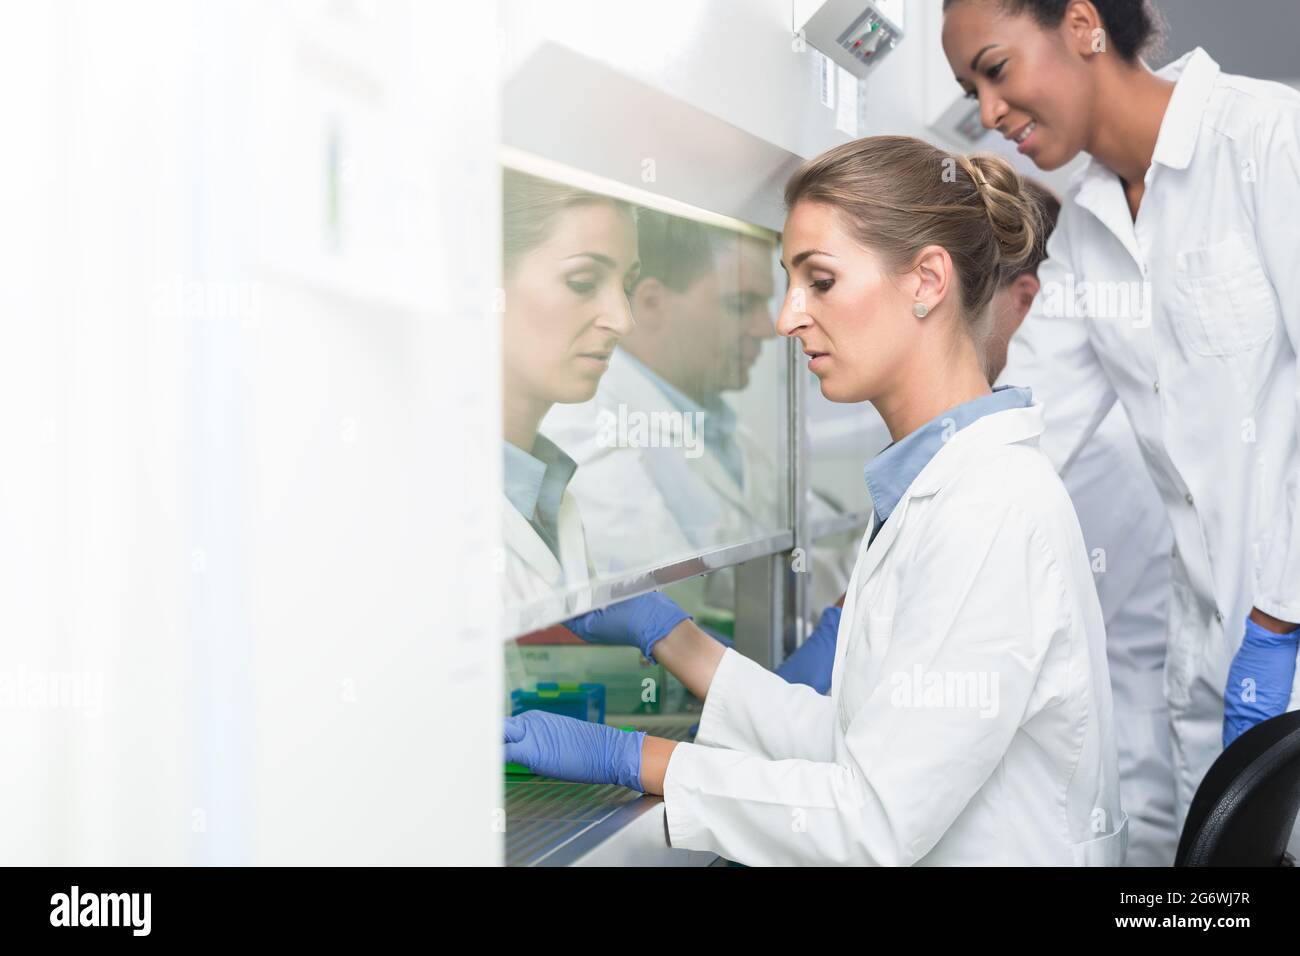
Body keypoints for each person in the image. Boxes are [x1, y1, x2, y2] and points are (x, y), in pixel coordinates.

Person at [505, 136, 1127, 866]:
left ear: (927, 281)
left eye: (820, 281)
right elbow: (860, 743)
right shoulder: (936, 486)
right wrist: (677, 638)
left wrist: (640, 760)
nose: (787, 317)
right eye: (788, 282)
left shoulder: (988, 507)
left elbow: (872, 821)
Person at [942, 0, 1300, 836]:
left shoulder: (1268, 140)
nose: (990, 113)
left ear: (1080, 25)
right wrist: (882, 575)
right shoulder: (1088, 232)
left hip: (1282, 635)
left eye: (995, 70)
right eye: (971, 90)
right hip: (1210, 655)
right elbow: (1017, 426)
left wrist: (1281, 612)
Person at [990, 179, 1178, 865]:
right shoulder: (1052, 434)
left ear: (1030, 303)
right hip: (1112, 787)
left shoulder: (1084, 453)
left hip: (1118, 795)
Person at [498, 170, 639, 608]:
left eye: (626, 286)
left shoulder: (549, 494)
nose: (623, 319)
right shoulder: (423, 503)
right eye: (583, 283)